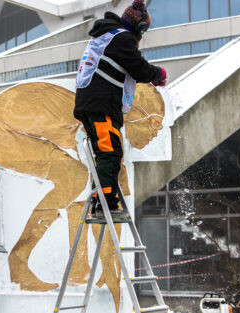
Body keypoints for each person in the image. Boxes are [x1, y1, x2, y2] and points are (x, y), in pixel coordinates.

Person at [74, 0, 167, 217]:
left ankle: (101, 199)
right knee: (110, 153)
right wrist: (158, 74)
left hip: (94, 103)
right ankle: (105, 203)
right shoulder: (121, 38)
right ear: (140, 28)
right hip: (101, 105)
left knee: (108, 152)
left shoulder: (106, 36)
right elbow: (140, 68)